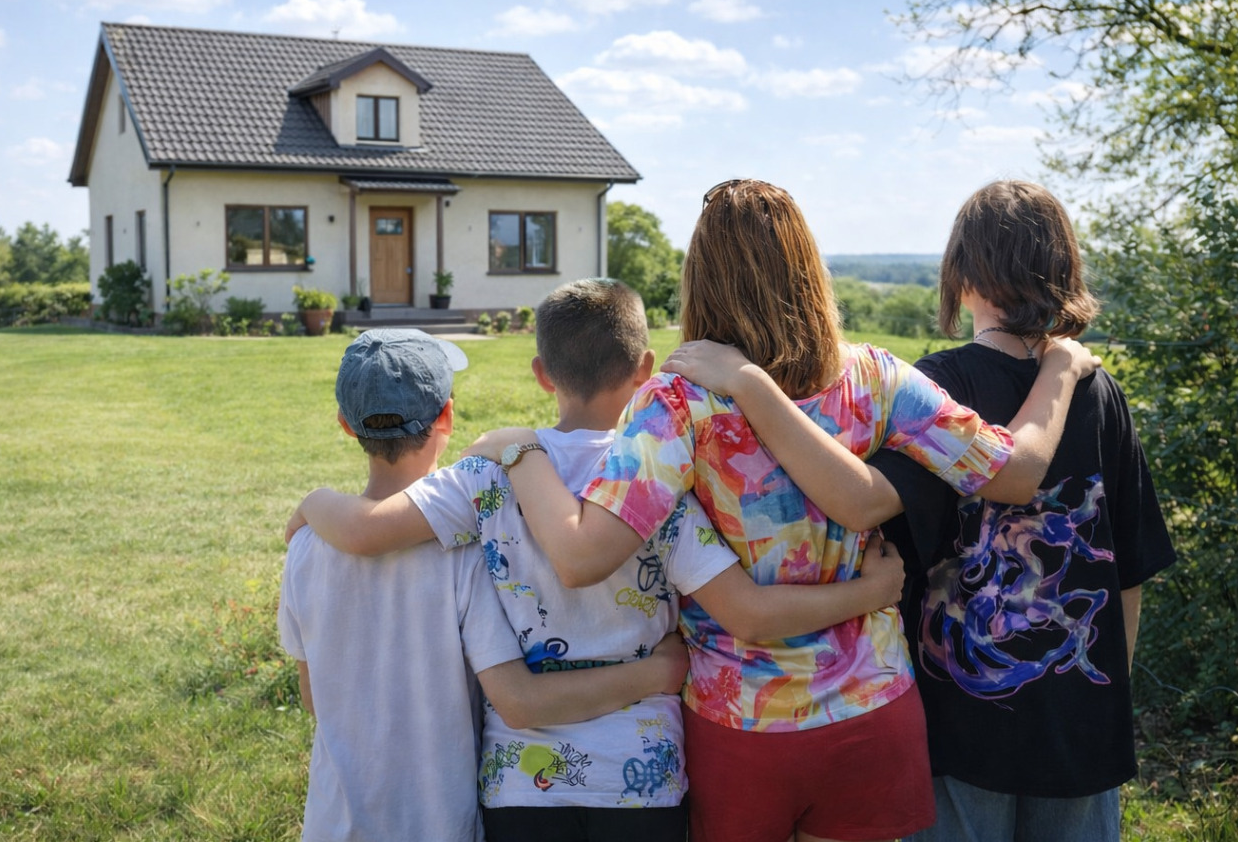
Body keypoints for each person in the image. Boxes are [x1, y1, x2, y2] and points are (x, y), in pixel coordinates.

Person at [468, 179, 1102, 842]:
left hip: (742, 722)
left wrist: (520, 453)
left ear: (701, 279)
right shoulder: (878, 378)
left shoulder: (679, 403)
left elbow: (580, 557)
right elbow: (1017, 473)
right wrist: (1059, 368)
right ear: (810, 269)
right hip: (871, 709)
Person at [292, 280, 907, 842]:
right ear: (645, 370)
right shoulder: (658, 479)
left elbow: (370, 529)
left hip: (521, 781)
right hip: (641, 776)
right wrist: (870, 592)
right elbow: (746, 610)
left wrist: (311, 506)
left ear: (541, 373)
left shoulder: (488, 474)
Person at [277, 328, 692, 842]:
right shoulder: (466, 547)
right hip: (440, 819)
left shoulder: (303, 550)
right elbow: (518, 698)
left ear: (345, 424)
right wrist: (659, 671)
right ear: (448, 415)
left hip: (334, 821)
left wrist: (315, 499)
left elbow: (313, 697)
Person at [861, 181, 1176, 842]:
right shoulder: (1096, 389)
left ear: (964, 275)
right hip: (1078, 728)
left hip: (956, 723)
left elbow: (882, 542)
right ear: (1063, 271)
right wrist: (1103, 697)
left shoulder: (936, 387)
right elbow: (1130, 572)